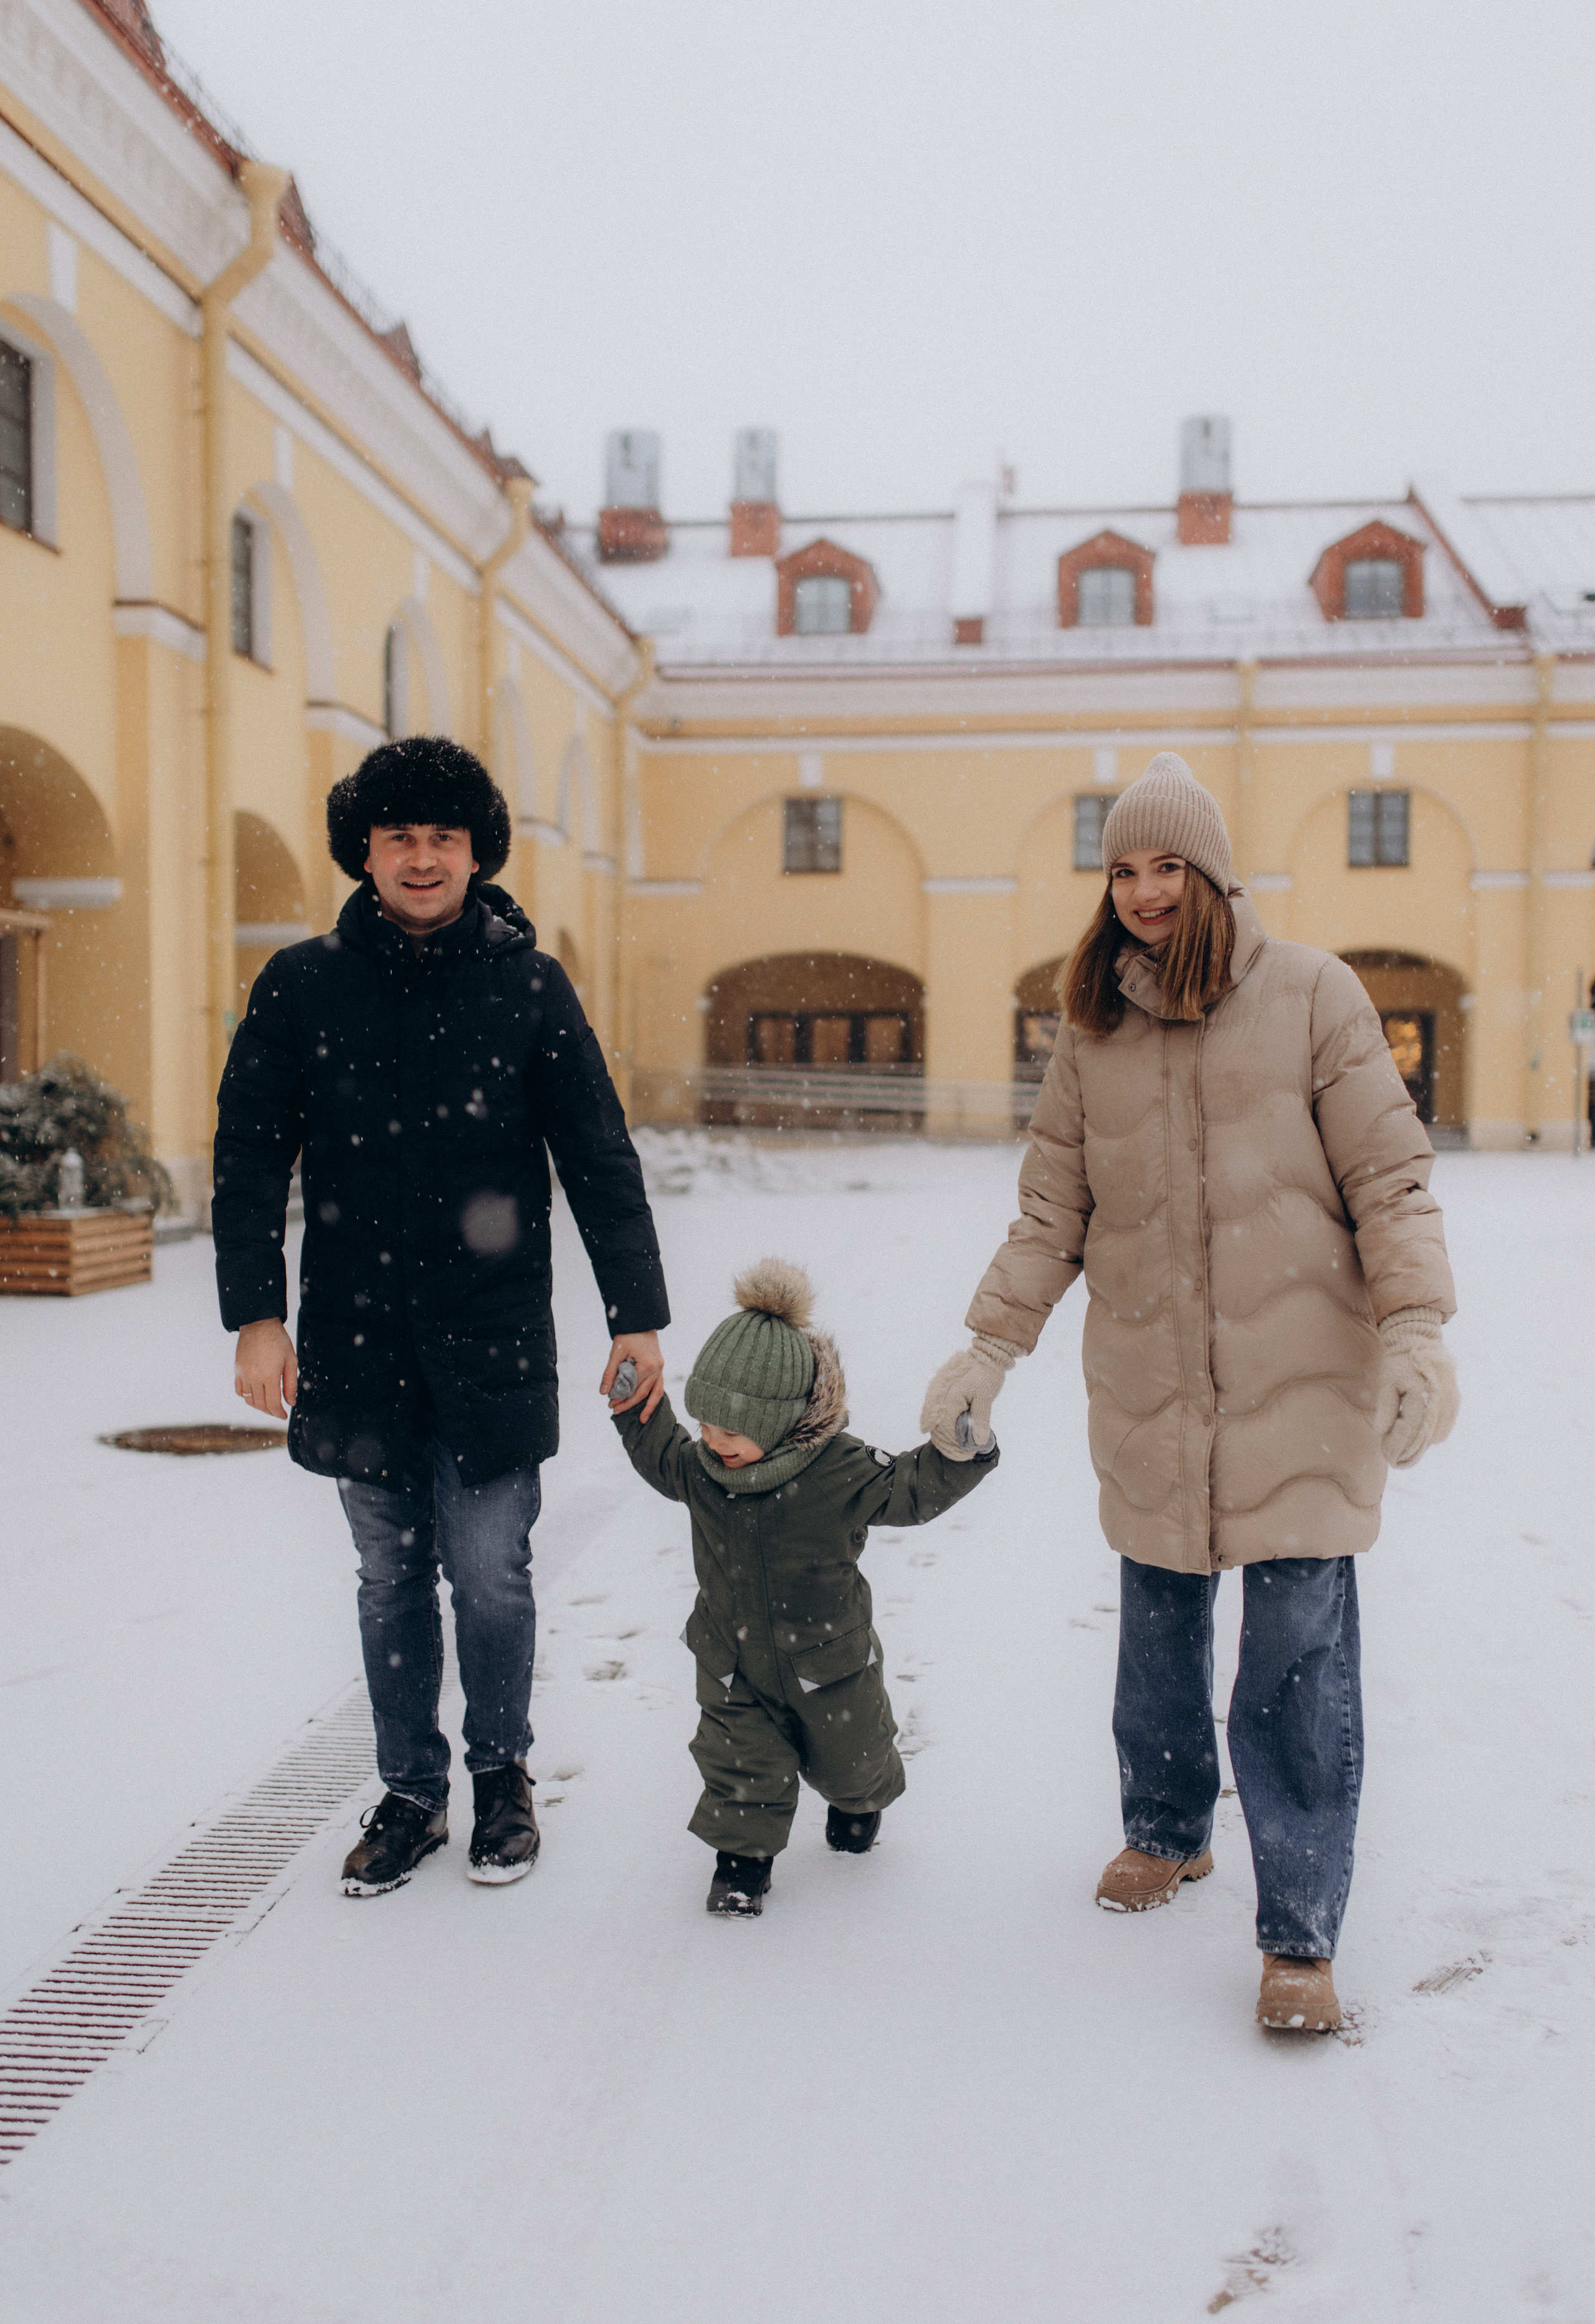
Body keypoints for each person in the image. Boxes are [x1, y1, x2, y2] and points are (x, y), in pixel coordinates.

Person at [920, 752, 1459, 2032]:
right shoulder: (1092, 1025)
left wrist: (1417, 1330)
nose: (1144, 891)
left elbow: (1388, 1178)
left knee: (1293, 1652)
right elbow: (1051, 1206)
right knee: (1158, 1624)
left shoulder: (1314, 997)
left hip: (1301, 1378)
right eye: (1122, 869)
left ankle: (1298, 1932)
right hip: (1153, 1378)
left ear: (1210, 873)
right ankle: (1165, 1829)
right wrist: (989, 1348)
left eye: (1166, 867)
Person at [215, 736, 669, 1897]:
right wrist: (256, 1316)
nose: (423, 858)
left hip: (490, 1333)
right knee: (386, 1576)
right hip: (357, 1338)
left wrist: (637, 1314)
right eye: (400, 835)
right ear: (363, 849)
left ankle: (502, 1778)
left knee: (491, 1572)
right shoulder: (303, 984)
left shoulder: (527, 984)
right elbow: (250, 1157)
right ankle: (412, 1792)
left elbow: (598, 1155)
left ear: (478, 852)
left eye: (445, 837)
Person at [614, 1259, 998, 1915]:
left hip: (828, 1662)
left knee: (854, 1763)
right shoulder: (703, 1469)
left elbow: (910, 1488)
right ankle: (741, 1864)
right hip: (732, 1661)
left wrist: (960, 1450)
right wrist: (633, 1404)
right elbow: (659, 1450)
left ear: (780, 1420)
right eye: (705, 1423)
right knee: (740, 1766)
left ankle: (862, 1805)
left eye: (730, 1431)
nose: (712, 1441)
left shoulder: (838, 1468)